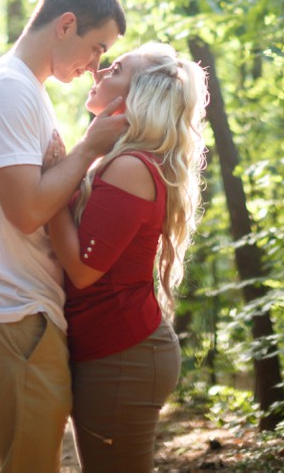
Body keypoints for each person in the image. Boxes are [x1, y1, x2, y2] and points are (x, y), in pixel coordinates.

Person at [0, 0, 128, 474]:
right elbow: (28, 209)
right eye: (96, 48)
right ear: (66, 24)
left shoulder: (28, 90)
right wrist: (91, 146)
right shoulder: (6, 90)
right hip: (14, 313)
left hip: (25, 312)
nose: (95, 66)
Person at [46, 42, 208, 473]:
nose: (98, 72)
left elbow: (82, 270)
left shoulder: (132, 167)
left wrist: (51, 187)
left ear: (137, 96)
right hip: (113, 349)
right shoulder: (122, 162)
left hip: (123, 354)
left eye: (115, 69)